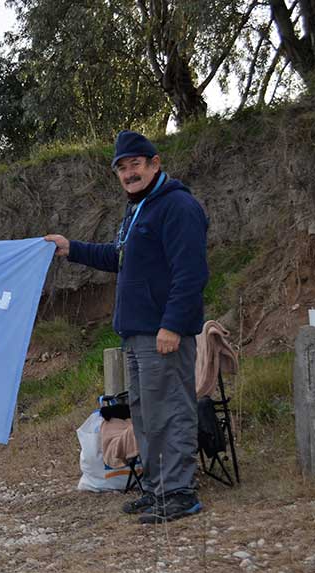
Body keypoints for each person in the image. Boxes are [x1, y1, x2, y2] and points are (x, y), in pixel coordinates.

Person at [44, 130, 208, 524]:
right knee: (147, 416)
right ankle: (156, 490)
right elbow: (119, 258)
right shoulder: (138, 210)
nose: (129, 172)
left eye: (136, 163)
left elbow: (191, 273)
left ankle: (180, 493)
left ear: (155, 164)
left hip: (162, 334)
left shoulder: (178, 207)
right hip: (136, 334)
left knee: (170, 411)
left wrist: (171, 325)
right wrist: (71, 248)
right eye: (122, 167)